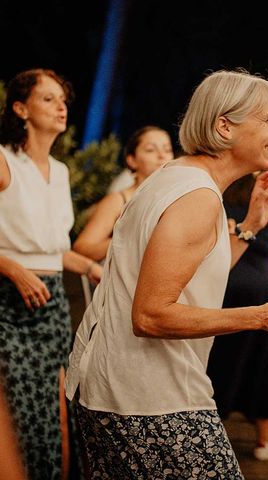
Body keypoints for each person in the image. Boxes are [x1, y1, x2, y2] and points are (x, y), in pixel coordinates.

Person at [64, 69, 268, 479]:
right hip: (147, 397)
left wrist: (252, 224)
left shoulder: (177, 178)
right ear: (224, 125)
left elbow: (192, 275)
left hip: (119, 388)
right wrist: (260, 316)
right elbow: (150, 315)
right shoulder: (196, 197)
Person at [0, 68, 103, 479]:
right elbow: (21, 253)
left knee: (54, 410)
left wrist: (97, 268)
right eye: (48, 99)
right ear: (20, 108)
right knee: (18, 412)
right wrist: (12, 269)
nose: (61, 106)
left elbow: (56, 250)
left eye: (63, 99)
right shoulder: (5, 161)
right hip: (9, 301)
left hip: (53, 304)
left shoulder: (59, 171)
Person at [208, 172, 268, 461]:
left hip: (225, 286)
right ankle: (266, 440)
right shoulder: (267, 199)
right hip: (263, 287)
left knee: (219, 360)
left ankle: (211, 437)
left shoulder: (215, 197)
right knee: (266, 363)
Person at [73, 125, 173, 262]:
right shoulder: (118, 200)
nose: (162, 156)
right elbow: (82, 248)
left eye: (167, 150)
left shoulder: (173, 199)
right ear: (131, 160)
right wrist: (126, 237)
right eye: (151, 150)